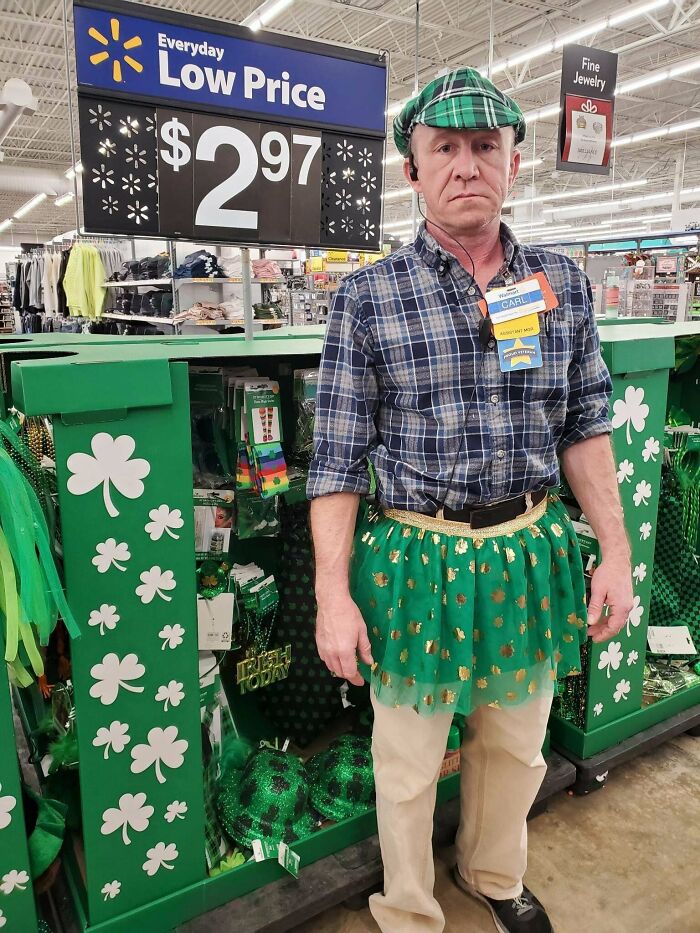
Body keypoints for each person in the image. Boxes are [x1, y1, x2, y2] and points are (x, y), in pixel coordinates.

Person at [307, 67, 634, 933]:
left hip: (531, 549)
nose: (466, 166)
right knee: (410, 760)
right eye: (443, 149)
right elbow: (336, 462)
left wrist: (619, 550)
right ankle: (410, 907)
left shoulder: (558, 281)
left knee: (518, 744)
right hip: (416, 557)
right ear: (411, 171)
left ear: (514, 163)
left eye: (485, 146)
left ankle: (492, 872)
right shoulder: (368, 297)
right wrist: (331, 595)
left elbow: (585, 425)